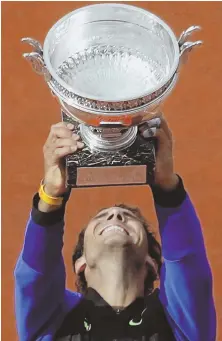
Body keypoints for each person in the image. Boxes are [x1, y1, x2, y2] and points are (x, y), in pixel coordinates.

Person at [14, 115, 216, 341]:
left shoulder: (178, 325)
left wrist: (167, 185)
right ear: (81, 264)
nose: (115, 214)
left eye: (128, 218)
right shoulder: (54, 323)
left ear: (151, 263)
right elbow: (35, 275)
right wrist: (51, 194)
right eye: (101, 217)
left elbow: (188, 264)